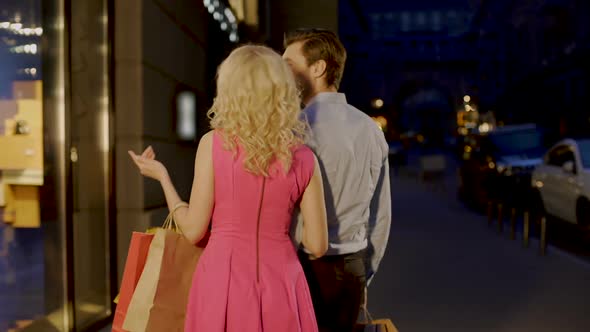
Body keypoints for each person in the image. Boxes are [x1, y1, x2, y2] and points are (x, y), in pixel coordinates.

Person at [128, 44, 328, 331]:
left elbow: (194, 230)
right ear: (282, 90)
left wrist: (163, 178)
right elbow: (318, 246)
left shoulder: (213, 144)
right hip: (283, 280)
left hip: (222, 280)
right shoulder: (305, 158)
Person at [283, 28, 392, 332]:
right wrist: (362, 273)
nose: (282, 74)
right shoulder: (370, 130)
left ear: (318, 68)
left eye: (289, 65)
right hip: (351, 266)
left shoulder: (292, 130)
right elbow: (380, 217)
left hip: (302, 266)